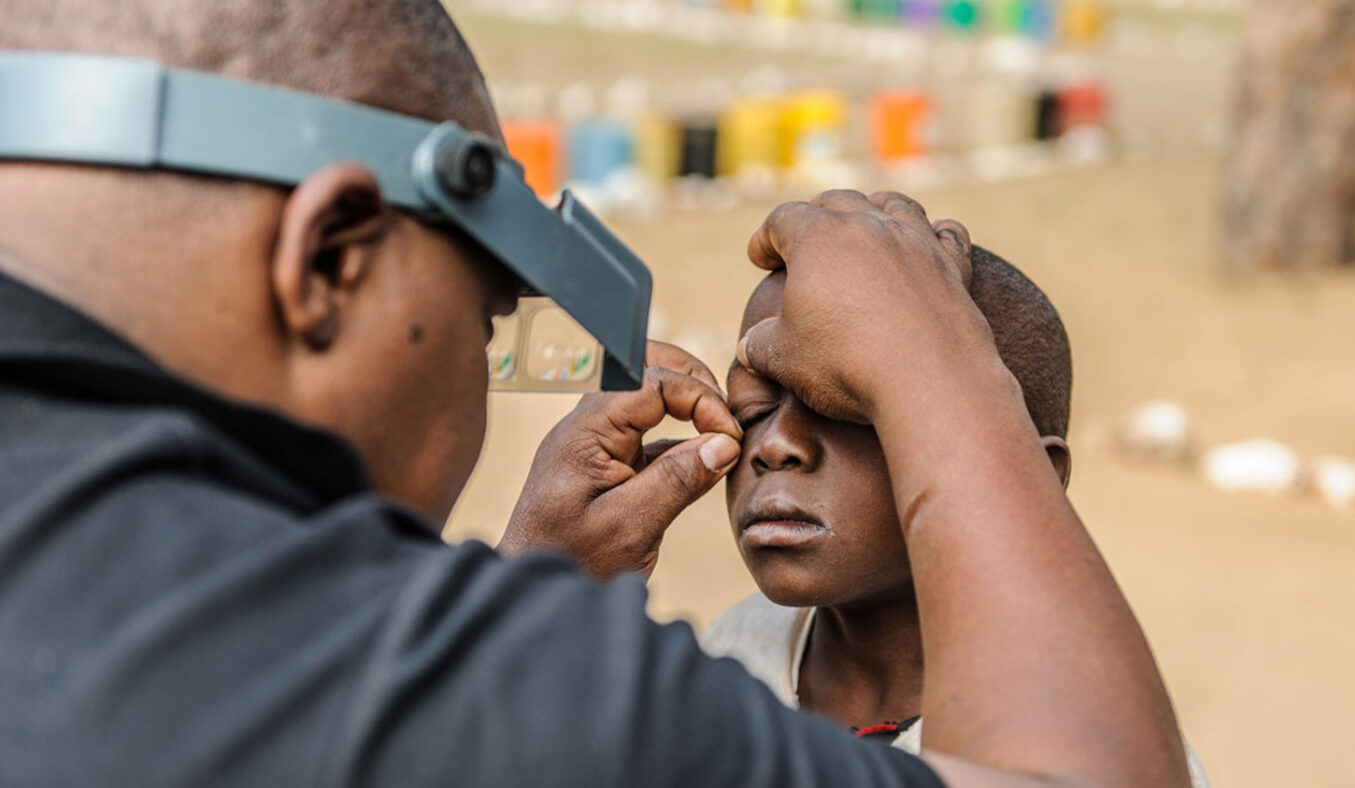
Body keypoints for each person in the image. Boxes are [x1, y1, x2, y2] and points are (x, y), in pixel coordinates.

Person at [0, 1, 1192, 785]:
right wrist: (933, 361)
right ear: (329, 263)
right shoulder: (343, 656)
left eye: (853, 404)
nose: (775, 446)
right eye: (482, 321)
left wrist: (511, 607)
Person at [700, 250, 1210, 785]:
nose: (775, 444)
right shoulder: (730, 654)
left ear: (1031, 475)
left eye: (844, 409)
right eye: (752, 407)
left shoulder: (1091, 743)